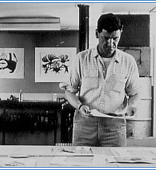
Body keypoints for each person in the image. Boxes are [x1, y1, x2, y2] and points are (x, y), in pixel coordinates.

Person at [60, 13, 140, 146]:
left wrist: (132, 106)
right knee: (81, 163)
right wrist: (80, 106)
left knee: (114, 164)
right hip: (85, 124)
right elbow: (69, 92)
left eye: (115, 39)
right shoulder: (81, 59)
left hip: (115, 127)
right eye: (105, 38)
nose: (110, 44)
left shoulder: (128, 62)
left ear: (120, 34)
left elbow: (135, 93)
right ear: (97, 34)